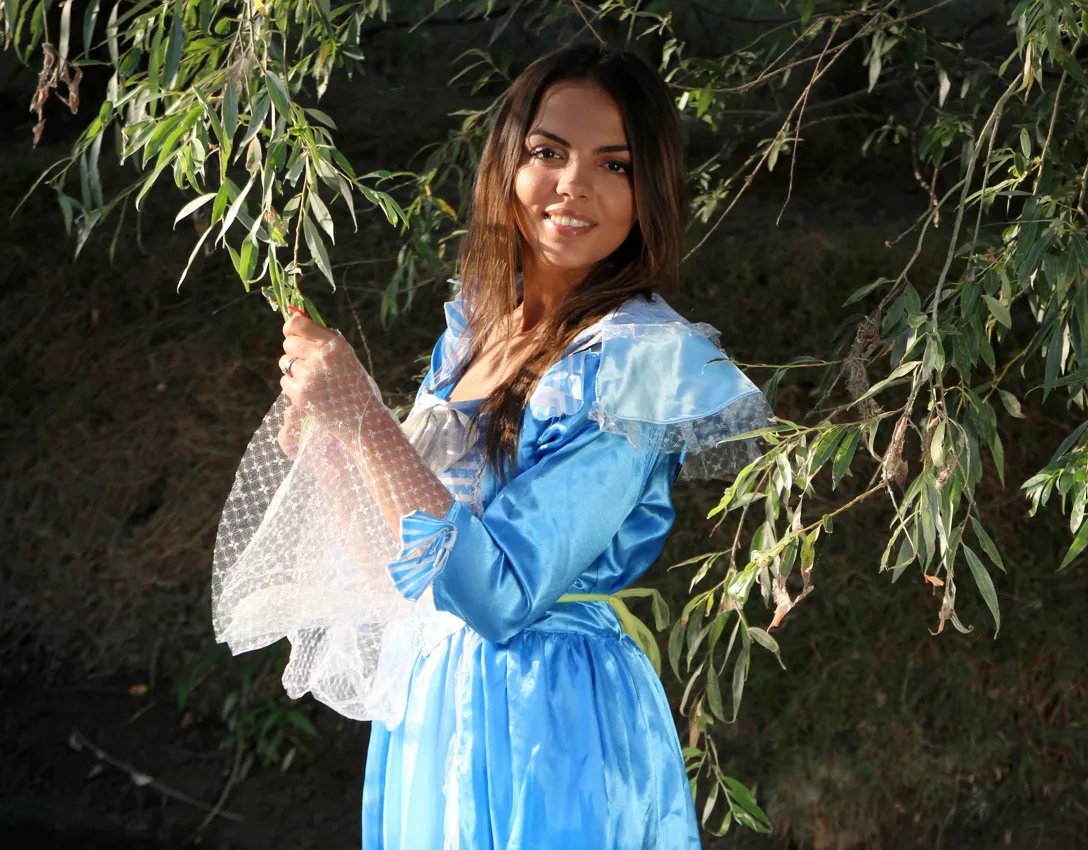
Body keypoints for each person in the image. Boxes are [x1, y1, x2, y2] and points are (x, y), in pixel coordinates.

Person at [226, 43, 773, 849]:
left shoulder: (640, 364)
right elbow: (397, 568)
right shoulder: (476, 333)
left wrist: (369, 421)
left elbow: (501, 594)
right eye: (548, 152)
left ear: (650, 191)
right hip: (433, 711)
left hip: (549, 721)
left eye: (614, 165)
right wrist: (337, 433)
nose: (573, 185)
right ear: (505, 165)